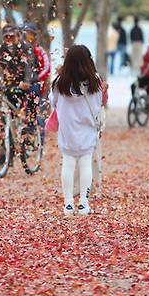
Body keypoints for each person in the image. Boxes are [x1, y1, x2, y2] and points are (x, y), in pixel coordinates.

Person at [51, 45, 104, 216]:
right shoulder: (95, 80)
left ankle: (67, 205)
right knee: (85, 164)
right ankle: (83, 204)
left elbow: (53, 102)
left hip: (67, 130)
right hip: (87, 129)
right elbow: (98, 105)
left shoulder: (60, 82)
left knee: (68, 164)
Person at [0, 25, 37, 122]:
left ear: (18, 36)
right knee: (10, 114)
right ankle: (8, 132)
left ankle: (31, 130)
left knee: (29, 115)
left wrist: (26, 81)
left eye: (12, 36)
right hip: (11, 84)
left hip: (29, 83)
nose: (9, 39)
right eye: (6, 37)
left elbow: (29, 67)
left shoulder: (26, 48)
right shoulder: (2, 49)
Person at [21, 23, 51, 141]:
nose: (28, 36)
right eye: (25, 33)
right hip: (22, 86)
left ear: (34, 36)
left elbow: (47, 68)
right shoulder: (21, 51)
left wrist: (36, 78)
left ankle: (40, 142)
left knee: (37, 115)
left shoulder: (40, 51)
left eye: (30, 33)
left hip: (37, 88)